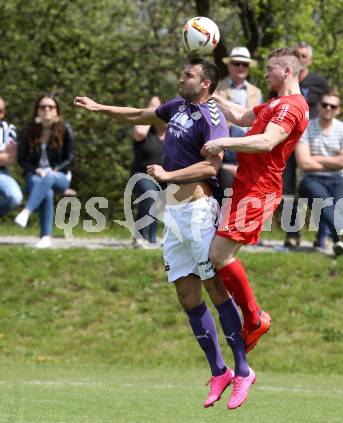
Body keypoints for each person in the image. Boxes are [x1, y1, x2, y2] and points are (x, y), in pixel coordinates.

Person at [74, 58, 255, 410]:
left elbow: (212, 165)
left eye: (188, 74)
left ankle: (243, 369)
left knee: (214, 287)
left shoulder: (212, 116)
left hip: (198, 211)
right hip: (173, 214)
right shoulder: (177, 107)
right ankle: (219, 370)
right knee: (187, 295)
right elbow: (139, 115)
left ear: (205, 83)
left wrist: (169, 176)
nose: (181, 77)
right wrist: (99, 107)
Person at [203, 47, 309, 353]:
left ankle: (254, 318)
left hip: (258, 190)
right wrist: (211, 96)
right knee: (216, 254)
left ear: (287, 71)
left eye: (270, 68)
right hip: (246, 186)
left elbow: (266, 141)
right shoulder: (276, 102)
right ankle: (250, 318)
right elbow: (240, 116)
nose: (265, 73)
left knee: (219, 255)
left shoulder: (292, 107)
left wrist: (223, 141)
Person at [295, 89, 343, 256]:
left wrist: (317, 158)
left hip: (338, 178)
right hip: (311, 179)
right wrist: (334, 162)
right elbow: (304, 163)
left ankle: (340, 244)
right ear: (319, 106)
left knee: (342, 202)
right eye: (325, 104)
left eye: (333, 106)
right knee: (325, 202)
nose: (328, 108)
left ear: (338, 110)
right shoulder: (306, 128)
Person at [283, 41, 330, 249]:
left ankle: (322, 235)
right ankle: (291, 234)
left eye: (303, 56)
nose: (299, 59)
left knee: (316, 186)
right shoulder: (282, 81)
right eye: (296, 55)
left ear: (309, 59)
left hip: (312, 141)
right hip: (286, 140)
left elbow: (330, 107)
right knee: (287, 189)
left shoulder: (319, 83)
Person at [15, 94, 74, 248]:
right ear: (37, 111)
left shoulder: (65, 129)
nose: (47, 109)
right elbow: (22, 160)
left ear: (57, 111)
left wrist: (54, 170)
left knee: (49, 178)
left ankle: (26, 211)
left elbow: (70, 158)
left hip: (59, 176)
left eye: (51, 107)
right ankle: (45, 237)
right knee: (46, 191)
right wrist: (36, 170)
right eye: (43, 107)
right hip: (35, 175)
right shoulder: (29, 131)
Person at [215, 47, 262, 204]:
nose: (241, 67)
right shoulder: (217, 88)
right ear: (229, 66)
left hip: (248, 146)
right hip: (225, 144)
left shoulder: (257, 92)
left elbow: (259, 121)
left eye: (244, 64)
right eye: (237, 63)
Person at [131, 96, 166, 246]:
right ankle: (140, 237)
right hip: (141, 175)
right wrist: (151, 110)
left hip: (166, 177)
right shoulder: (144, 130)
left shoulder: (173, 134)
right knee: (150, 193)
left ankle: (151, 238)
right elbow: (138, 133)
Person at [0, 97, 23, 216]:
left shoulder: (8, 129)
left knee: (15, 197)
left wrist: (5, 157)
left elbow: (10, 158)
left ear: (3, 113)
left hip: (1, 173)